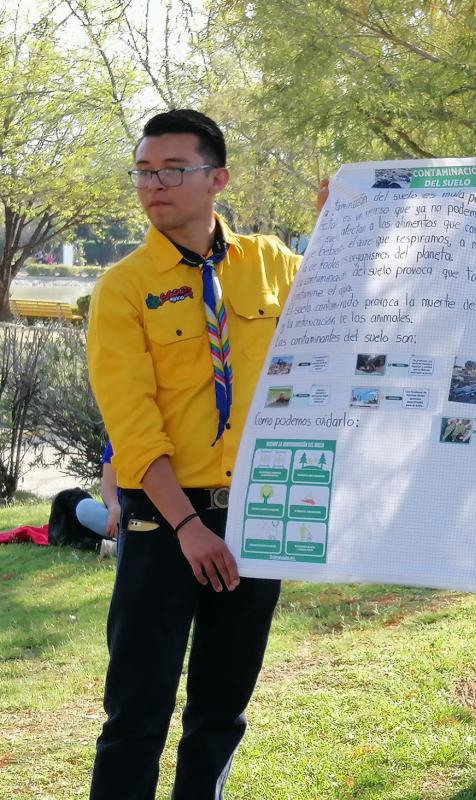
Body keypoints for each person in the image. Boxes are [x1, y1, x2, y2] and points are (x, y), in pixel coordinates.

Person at [85, 109, 300, 799]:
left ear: (218, 179)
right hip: (163, 522)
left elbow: (346, 315)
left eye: (172, 170)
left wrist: (346, 225)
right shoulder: (122, 287)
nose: (154, 185)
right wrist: (186, 527)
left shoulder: (271, 263)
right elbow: (133, 424)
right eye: (145, 172)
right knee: (136, 714)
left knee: (219, 711)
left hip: (255, 517)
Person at [74, 441, 120, 539]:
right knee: (84, 508)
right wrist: (114, 507)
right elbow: (107, 485)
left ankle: (120, 545)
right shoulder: (116, 439)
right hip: (124, 515)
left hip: (151, 514)